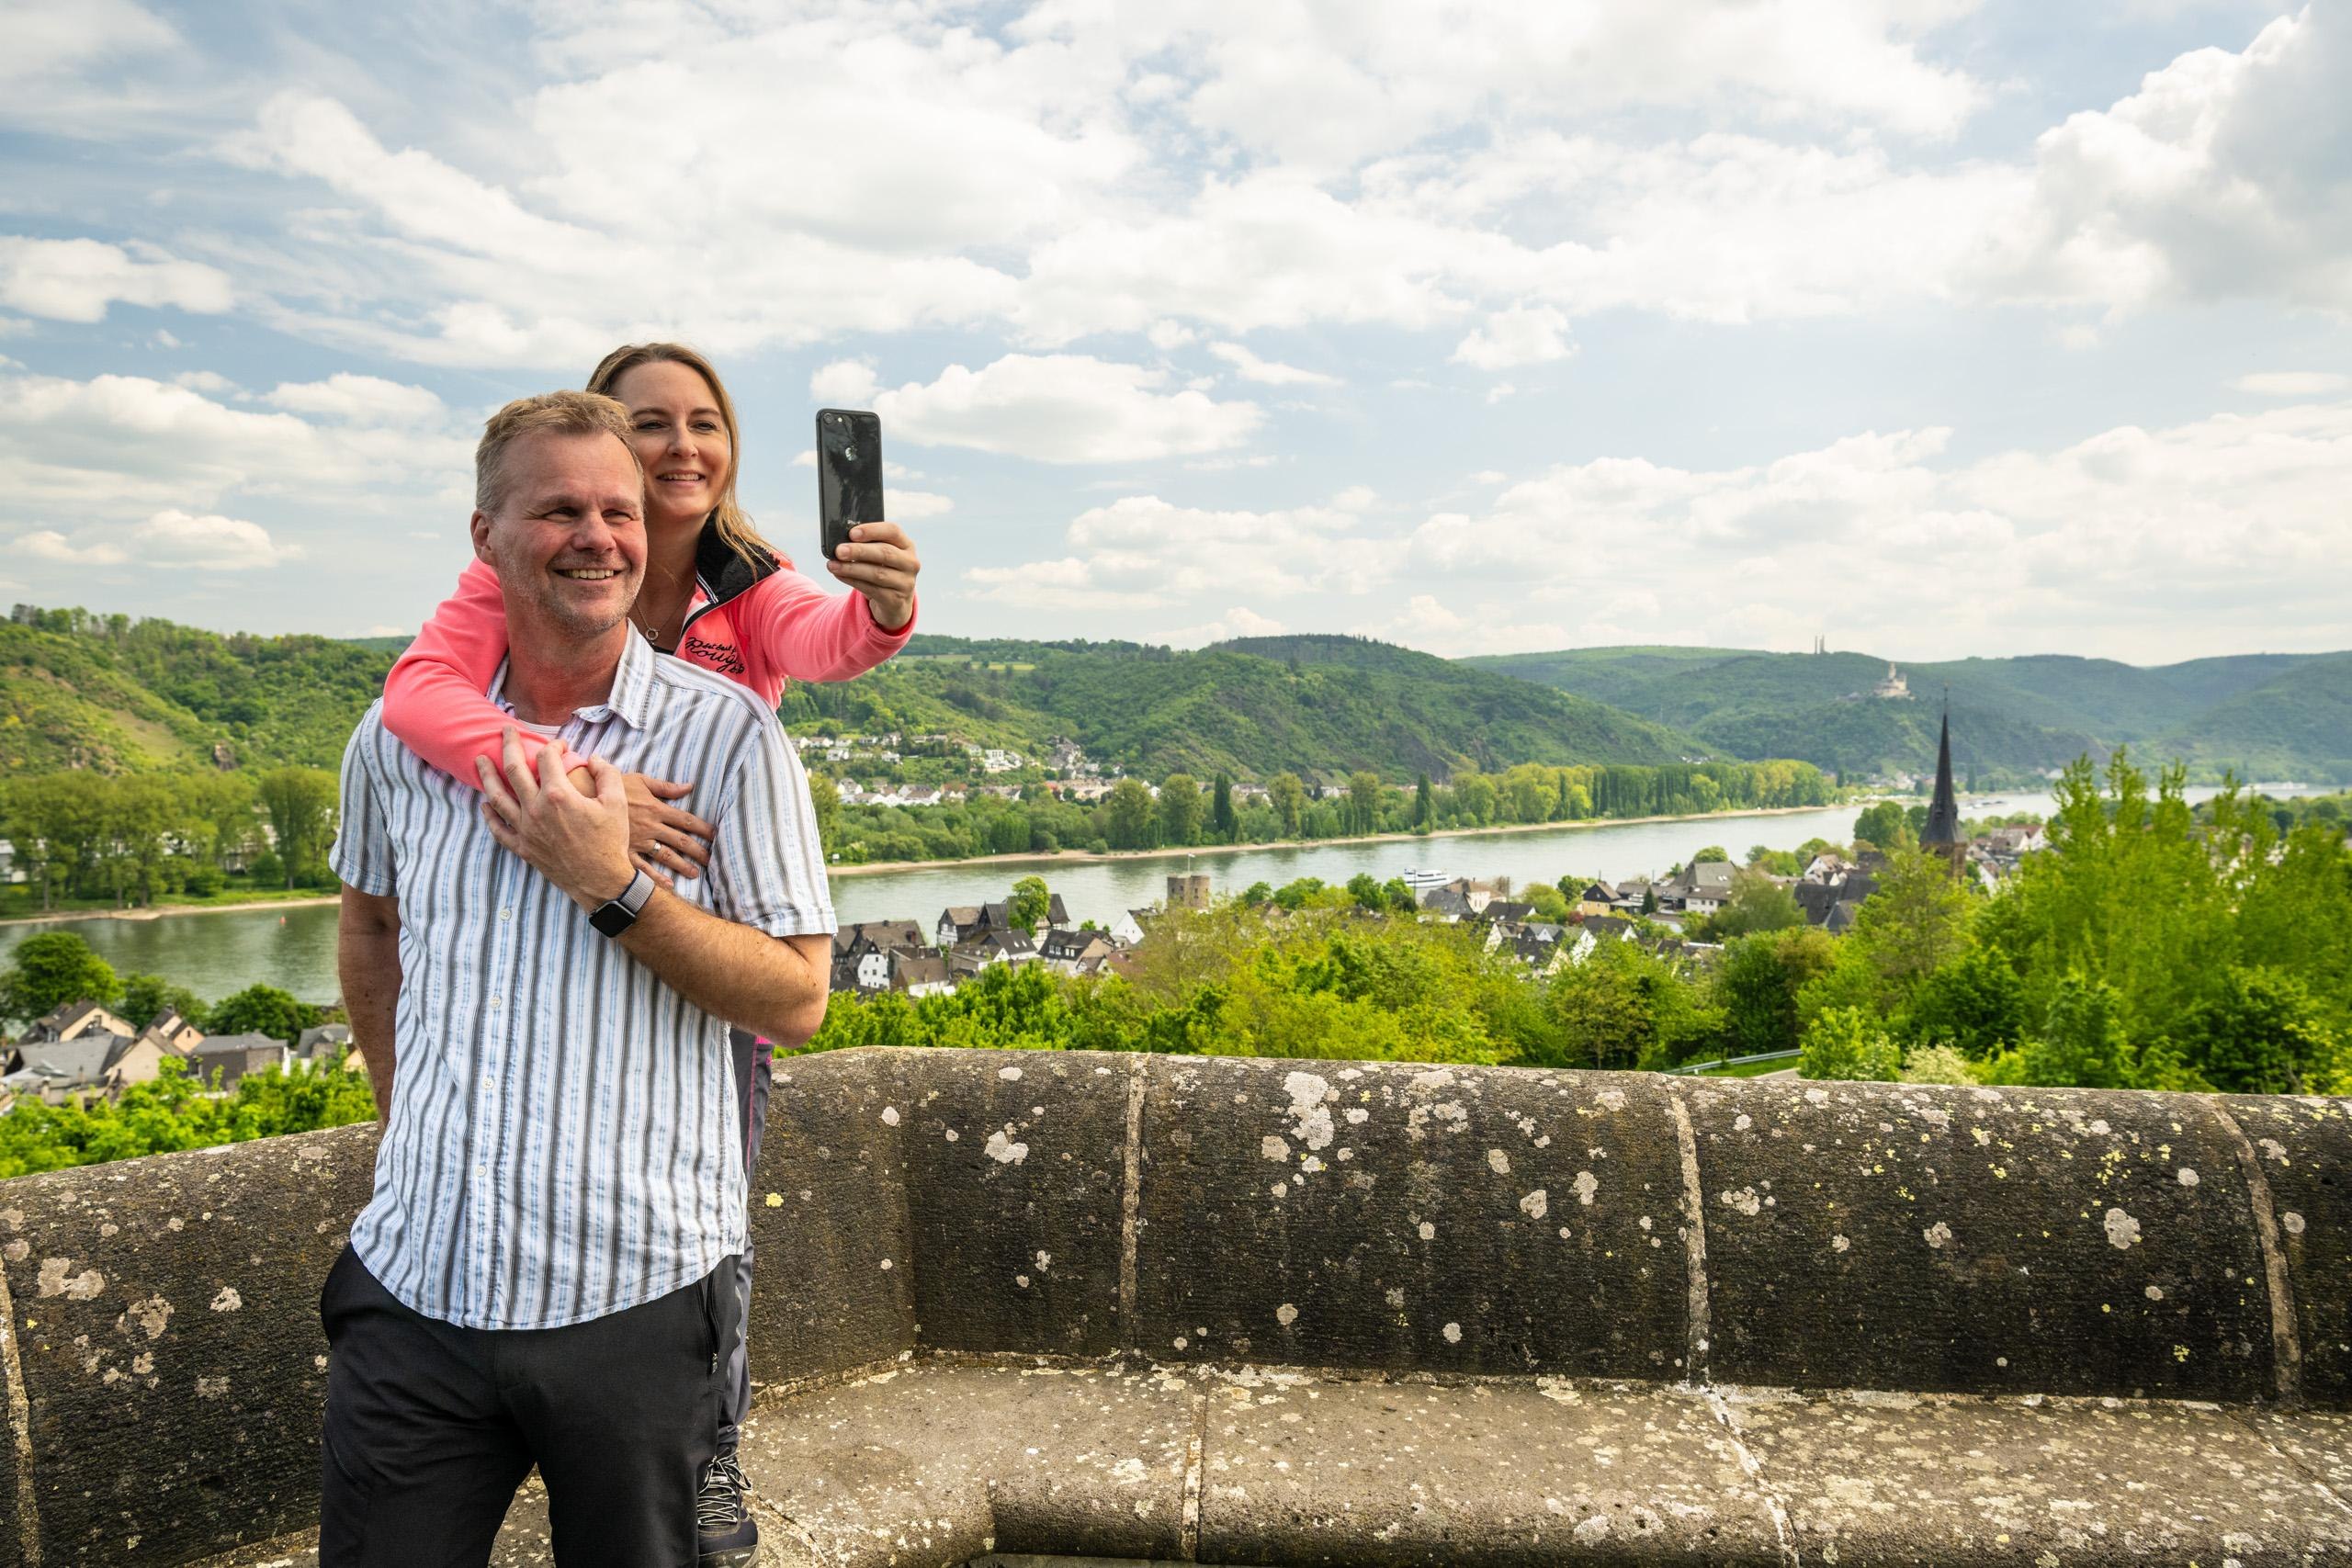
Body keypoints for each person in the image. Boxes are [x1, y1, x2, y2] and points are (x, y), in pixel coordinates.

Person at [379, 342, 918, 1562]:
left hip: (707, 906)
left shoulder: (747, 581)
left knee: (708, 1195)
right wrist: (578, 777)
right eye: (649, 424)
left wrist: (885, 609)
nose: (680, 447)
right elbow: (417, 697)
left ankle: (707, 1441)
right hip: (561, 894)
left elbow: (827, 642)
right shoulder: (519, 574)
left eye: (704, 423)